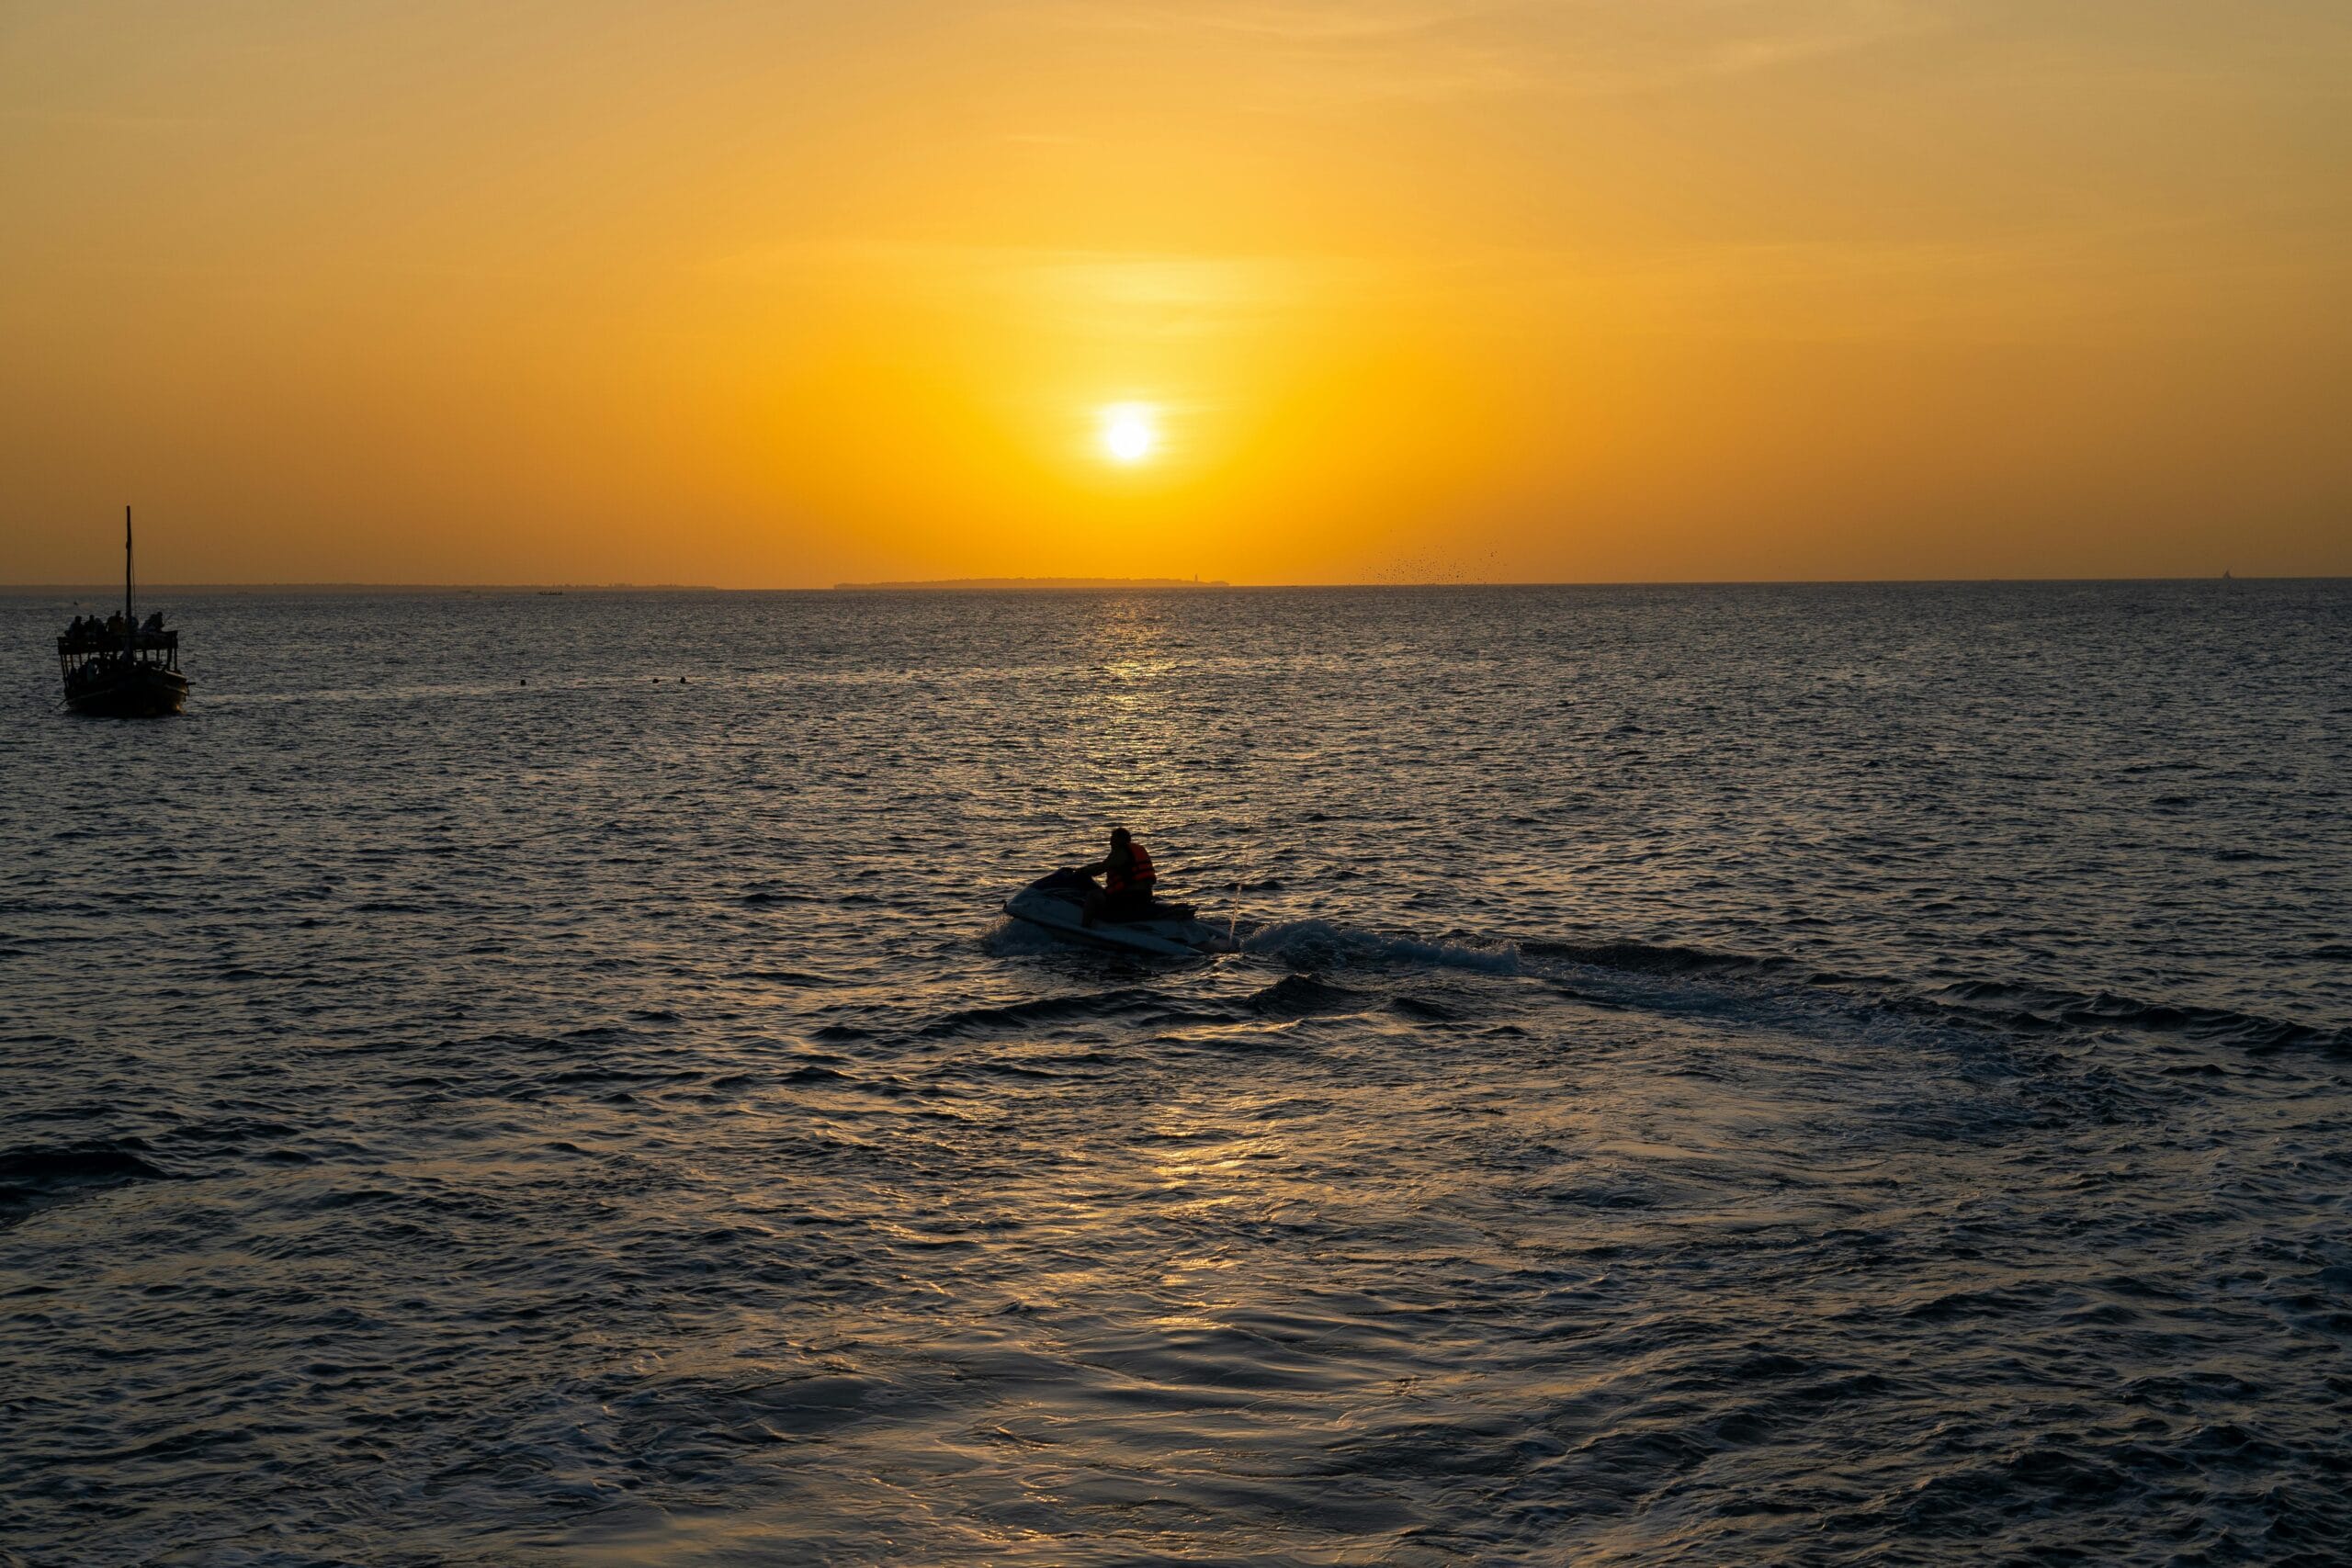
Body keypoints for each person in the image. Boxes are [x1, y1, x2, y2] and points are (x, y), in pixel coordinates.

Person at [1077, 827, 1157, 927]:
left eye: (1112, 840)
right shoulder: (1138, 850)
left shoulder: (1120, 852)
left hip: (1128, 897)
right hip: (1145, 895)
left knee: (1092, 895)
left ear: (1120, 840)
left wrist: (1082, 871)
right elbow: (1108, 864)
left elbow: (1100, 870)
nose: (1110, 843)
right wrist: (1090, 867)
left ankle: (1085, 928)